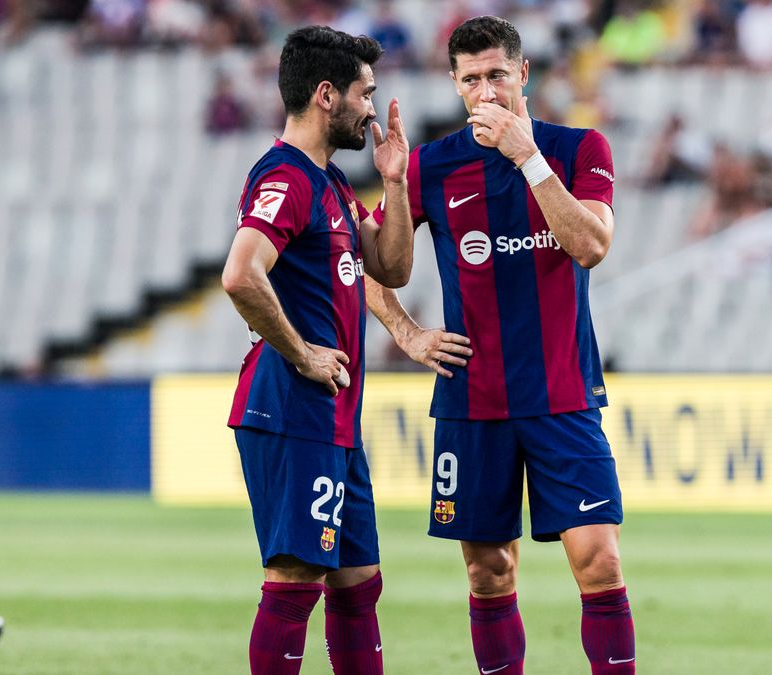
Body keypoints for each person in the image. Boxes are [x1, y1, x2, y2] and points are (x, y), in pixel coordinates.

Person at [369, 15, 636, 674]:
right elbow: (368, 266)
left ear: (523, 73)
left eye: (496, 74)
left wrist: (528, 157)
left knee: (599, 559)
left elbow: (592, 245)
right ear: (455, 86)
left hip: (563, 393)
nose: (485, 90)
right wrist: (407, 331)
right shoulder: (430, 166)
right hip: (473, 399)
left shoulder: (580, 148)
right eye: (471, 79)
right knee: (488, 571)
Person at [221, 26, 415, 675]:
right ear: (327, 95)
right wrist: (303, 352)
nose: (372, 107)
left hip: (335, 421)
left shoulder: (330, 184)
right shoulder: (287, 178)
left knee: (359, 584)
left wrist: (395, 183)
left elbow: (390, 266)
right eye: (366, 93)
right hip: (293, 410)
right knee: (296, 577)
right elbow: (241, 271)